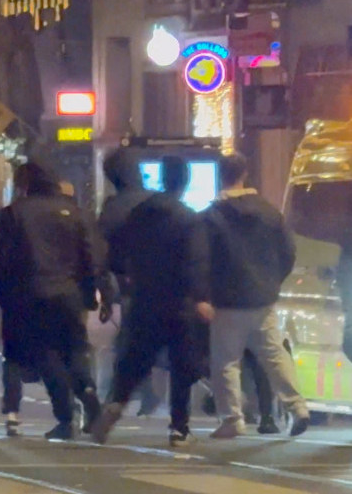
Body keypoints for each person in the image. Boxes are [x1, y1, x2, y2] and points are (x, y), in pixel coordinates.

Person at [91, 155, 211, 447]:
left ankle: (115, 404)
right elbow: (195, 261)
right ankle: (178, 427)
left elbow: (114, 251)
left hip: (144, 296)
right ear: (184, 181)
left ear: (161, 178)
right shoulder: (188, 217)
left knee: (136, 358)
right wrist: (201, 297)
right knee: (181, 365)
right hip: (178, 302)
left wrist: (126, 276)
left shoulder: (140, 213)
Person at [0, 160, 101, 440]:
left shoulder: (15, 213)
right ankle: (88, 394)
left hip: (31, 293)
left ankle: (65, 417)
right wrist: (92, 293)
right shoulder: (75, 212)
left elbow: (3, 258)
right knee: (75, 349)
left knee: (47, 354)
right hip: (70, 292)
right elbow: (91, 255)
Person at [202, 153, 310, 438]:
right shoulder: (270, 212)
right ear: (245, 173)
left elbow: (202, 258)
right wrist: (273, 281)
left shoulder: (212, 216)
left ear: (219, 175)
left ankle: (232, 419)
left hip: (227, 300)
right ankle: (297, 407)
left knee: (226, 361)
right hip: (263, 298)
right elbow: (288, 251)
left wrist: (204, 293)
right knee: (274, 354)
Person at [97, 148, 161, 414]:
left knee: (130, 340)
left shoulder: (114, 208)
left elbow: (101, 252)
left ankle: (119, 397)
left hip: (130, 283)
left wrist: (104, 290)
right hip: (164, 280)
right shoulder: (157, 200)